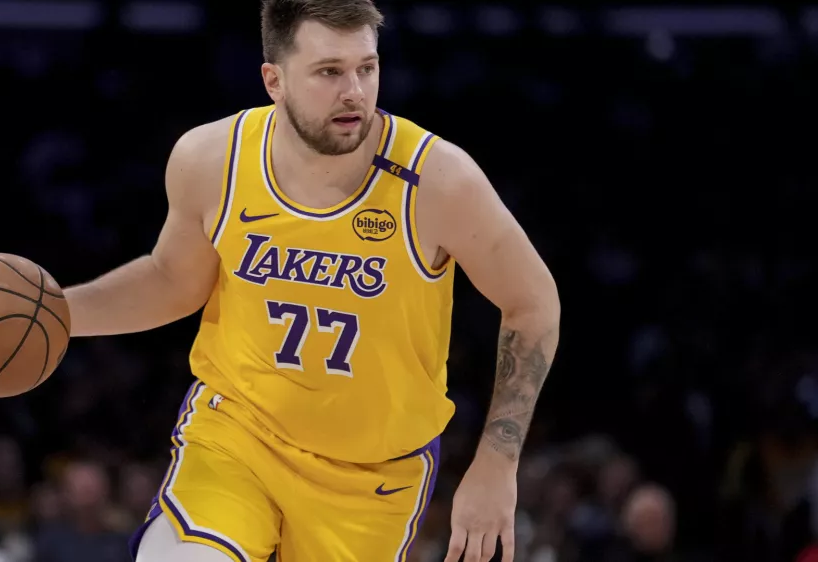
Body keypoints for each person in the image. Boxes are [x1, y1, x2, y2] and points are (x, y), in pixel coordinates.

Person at [64, 0, 560, 560]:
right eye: (329, 71)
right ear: (273, 80)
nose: (354, 91)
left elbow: (533, 302)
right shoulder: (211, 159)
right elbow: (172, 280)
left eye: (366, 68)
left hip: (371, 476)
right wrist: (58, 314)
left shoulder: (438, 180)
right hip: (239, 436)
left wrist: (497, 463)